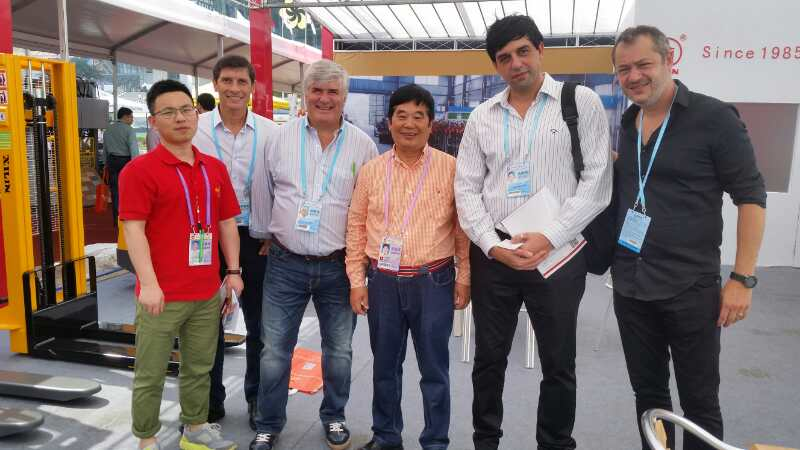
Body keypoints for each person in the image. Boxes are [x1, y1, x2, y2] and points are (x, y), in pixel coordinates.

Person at [454, 15, 613, 450]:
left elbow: (597, 181)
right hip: (496, 257)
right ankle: (486, 440)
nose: (516, 63)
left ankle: (555, 443)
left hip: (558, 256)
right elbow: (466, 188)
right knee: (489, 360)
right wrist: (492, 245)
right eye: (504, 57)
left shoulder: (578, 102)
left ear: (541, 50)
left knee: (559, 363)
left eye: (523, 51)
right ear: (495, 65)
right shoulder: (482, 117)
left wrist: (551, 236)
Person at [610, 25, 766, 450]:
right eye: (624, 69)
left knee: (699, 401)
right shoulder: (629, 122)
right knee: (648, 395)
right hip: (631, 285)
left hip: (689, 288)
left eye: (643, 64)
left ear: (668, 61)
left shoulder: (714, 118)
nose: (634, 76)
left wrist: (742, 278)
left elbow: (751, 197)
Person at [248, 59, 378, 450]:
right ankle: (268, 423)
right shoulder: (279, 139)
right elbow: (262, 190)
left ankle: (334, 417)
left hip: (338, 266)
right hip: (285, 263)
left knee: (339, 351)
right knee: (274, 351)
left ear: (344, 97)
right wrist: (265, 233)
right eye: (316, 91)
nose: (324, 98)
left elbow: (368, 206)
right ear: (305, 94)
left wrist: (361, 263)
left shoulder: (363, 145)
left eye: (332, 91)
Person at [345, 84, 471, 450]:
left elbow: (462, 229)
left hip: (433, 280)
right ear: (390, 123)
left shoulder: (451, 168)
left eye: (419, 116)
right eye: (401, 115)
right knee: (385, 368)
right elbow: (356, 225)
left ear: (431, 124)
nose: (409, 124)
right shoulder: (371, 171)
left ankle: (435, 441)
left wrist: (464, 276)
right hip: (382, 280)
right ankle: (386, 437)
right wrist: (357, 280)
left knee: (434, 370)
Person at [119, 79, 242, 450]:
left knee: (199, 367)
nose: (180, 118)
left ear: (196, 114)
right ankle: (147, 437)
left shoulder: (213, 168)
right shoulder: (139, 171)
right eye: (169, 112)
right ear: (153, 121)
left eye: (186, 109)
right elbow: (133, 230)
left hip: (205, 292)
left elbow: (226, 223)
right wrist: (148, 284)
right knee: (151, 371)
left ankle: (196, 428)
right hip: (161, 294)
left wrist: (233, 271)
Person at [193, 54, 279, 429]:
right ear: (215, 84)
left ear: (252, 87)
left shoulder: (271, 133)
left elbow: (282, 184)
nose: (234, 88)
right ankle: (209, 402)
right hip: (204, 237)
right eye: (226, 81)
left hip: (255, 238)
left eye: (242, 82)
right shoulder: (195, 128)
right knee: (204, 323)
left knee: (261, 325)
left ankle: (256, 398)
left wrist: (273, 231)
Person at [104, 107, 139, 224]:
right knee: (128, 190)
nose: (132, 119)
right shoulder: (129, 130)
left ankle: (116, 219)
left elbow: (105, 149)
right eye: (131, 117)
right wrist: (136, 166)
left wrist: (105, 164)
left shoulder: (108, 129)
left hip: (112, 161)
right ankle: (127, 218)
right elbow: (133, 149)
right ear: (125, 117)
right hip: (126, 162)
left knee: (115, 191)